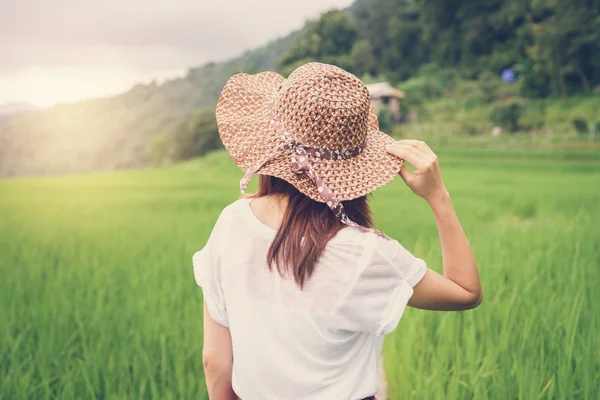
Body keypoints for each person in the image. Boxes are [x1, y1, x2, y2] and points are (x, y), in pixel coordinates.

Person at [193, 62, 482, 400]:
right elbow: (466, 292)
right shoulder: (364, 254)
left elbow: (214, 361)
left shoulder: (231, 222)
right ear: (354, 169)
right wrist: (439, 198)